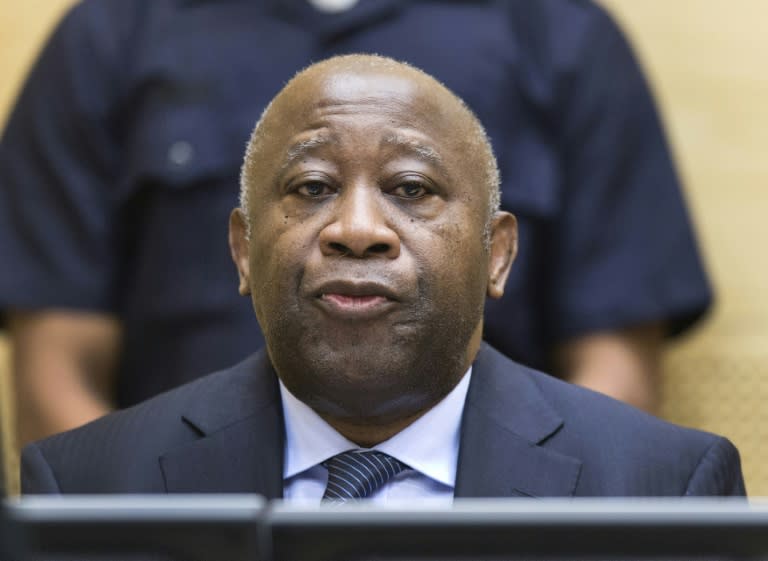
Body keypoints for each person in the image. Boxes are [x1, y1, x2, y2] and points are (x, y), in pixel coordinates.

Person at [21, 56, 744, 499]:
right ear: (243, 250)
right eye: (309, 187)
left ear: (498, 254)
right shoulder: (86, 484)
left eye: (411, 188)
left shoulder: (662, 484)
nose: (357, 228)